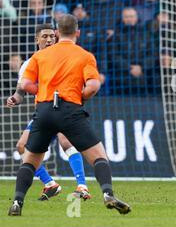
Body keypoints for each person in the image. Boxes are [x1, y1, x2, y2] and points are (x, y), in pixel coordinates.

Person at [8, 14, 130, 216]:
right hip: (70, 109)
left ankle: (17, 202)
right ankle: (107, 193)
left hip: (45, 110)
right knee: (99, 156)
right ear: (78, 33)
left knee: (29, 160)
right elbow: (93, 85)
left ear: (56, 34)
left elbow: (26, 85)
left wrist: (43, 91)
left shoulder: (39, 57)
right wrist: (81, 97)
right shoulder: (84, 55)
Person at [6, 24, 91, 201]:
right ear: (37, 40)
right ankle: (50, 183)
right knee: (22, 146)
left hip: (65, 109)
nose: (49, 39)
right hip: (44, 114)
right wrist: (14, 98)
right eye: (44, 36)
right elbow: (20, 92)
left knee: (65, 140)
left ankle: (82, 186)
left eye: (52, 36)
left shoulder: (65, 58)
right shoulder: (29, 63)